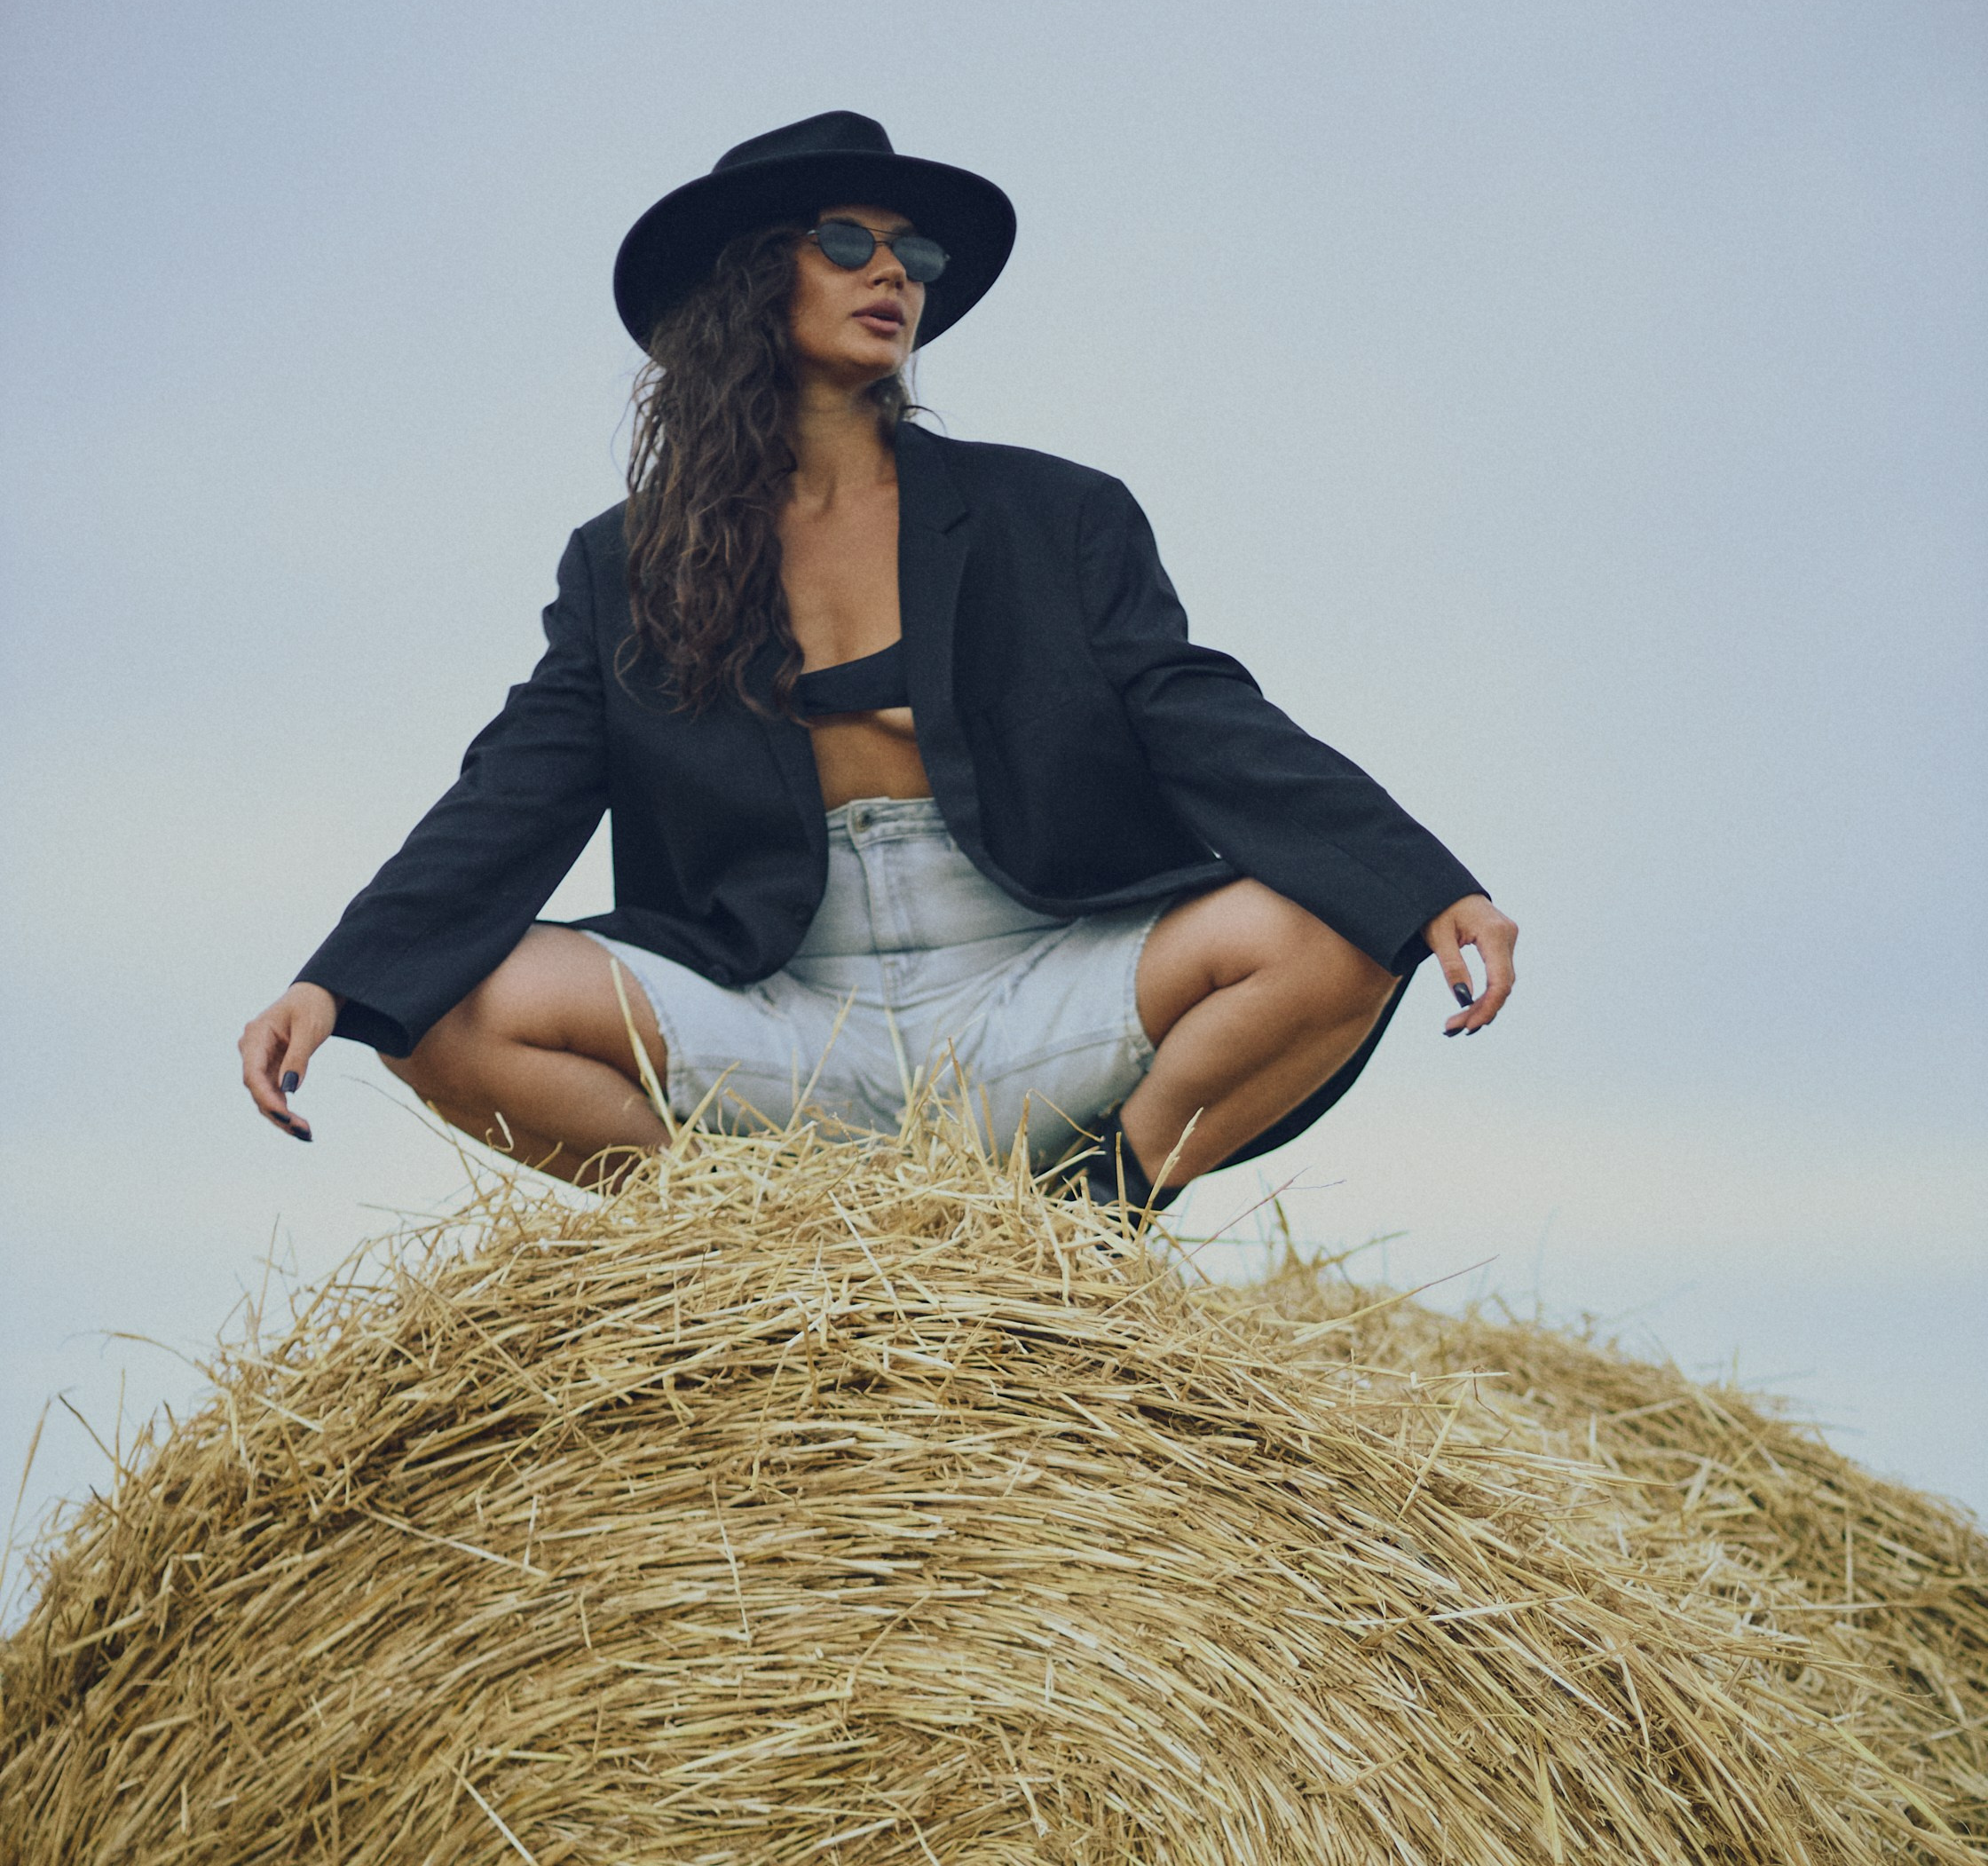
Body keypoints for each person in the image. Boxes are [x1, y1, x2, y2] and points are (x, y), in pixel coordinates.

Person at [239, 111, 1517, 1214]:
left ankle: (1085, 1231)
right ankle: (740, 1239)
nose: (892, 271)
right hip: (777, 1003)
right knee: (445, 1006)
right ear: (750, 279)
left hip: (1028, 974)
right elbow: (515, 786)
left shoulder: (1058, 517)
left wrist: (1419, 882)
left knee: (1337, 926)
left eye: (915, 253)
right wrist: (340, 978)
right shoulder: (622, 563)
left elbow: (1196, 714)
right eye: (847, 242)